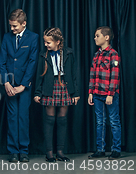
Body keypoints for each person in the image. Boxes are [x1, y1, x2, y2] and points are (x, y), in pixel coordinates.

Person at [33, 28, 80, 162]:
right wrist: (37, 92)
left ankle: (60, 152)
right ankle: (49, 153)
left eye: (48, 42)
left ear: (58, 41)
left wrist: (76, 93)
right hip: (49, 86)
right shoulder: (43, 55)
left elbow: (73, 74)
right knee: (49, 120)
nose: (46, 45)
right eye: (45, 42)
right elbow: (39, 76)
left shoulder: (69, 53)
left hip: (65, 86)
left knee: (62, 120)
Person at [0, 9, 38, 162]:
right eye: (11, 26)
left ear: (24, 24)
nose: (12, 29)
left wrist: (24, 85)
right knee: (12, 118)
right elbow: (2, 62)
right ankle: (13, 151)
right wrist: (6, 82)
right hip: (10, 84)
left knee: (23, 118)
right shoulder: (6, 37)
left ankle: (24, 150)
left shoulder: (33, 37)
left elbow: (32, 62)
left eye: (14, 26)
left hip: (23, 86)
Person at [87, 26, 121, 160]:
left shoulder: (113, 54)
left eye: (97, 35)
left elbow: (115, 76)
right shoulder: (96, 55)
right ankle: (100, 149)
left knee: (113, 121)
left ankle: (116, 149)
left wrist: (110, 94)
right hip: (96, 94)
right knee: (99, 122)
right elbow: (92, 75)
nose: (95, 38)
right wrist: (90, 92)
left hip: (109, 95)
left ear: (106, 37)